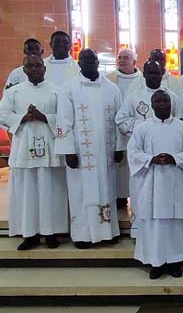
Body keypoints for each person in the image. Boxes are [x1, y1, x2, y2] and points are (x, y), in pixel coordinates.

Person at [55, 49, 126, 249]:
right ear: (79, 63)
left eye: (92, 59)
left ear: (97, 62)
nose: (88, 63)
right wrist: (68, 150)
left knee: (106, 190)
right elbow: (63, 121)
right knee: (82, 193)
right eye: (84, 60)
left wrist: (120, 147)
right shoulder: (69, 88)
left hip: (106, 152)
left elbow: (119, 120)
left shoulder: (112, 89)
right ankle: (83, 235)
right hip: (80, 154)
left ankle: (107, 232)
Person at [128, 90, 183, 279]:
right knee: (154, 224)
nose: (162, 104)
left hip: (175, 182)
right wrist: (150, 159)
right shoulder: (142, 129)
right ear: (152, 105)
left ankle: (175, 261)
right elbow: (133, 153)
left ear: (171, 104)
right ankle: (156, 262)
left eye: (165, 101)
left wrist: (174, 158)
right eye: (158, 101)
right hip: (151, 184)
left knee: (175, 223)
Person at [0, 55, 68, 250]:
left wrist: (44, 116)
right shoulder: (14, 92)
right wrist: (23, 117)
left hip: (50, 151)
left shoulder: (57, 92)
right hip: (24, 150)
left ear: (44, 69)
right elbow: (2, 114)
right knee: (26, 194)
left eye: (38, 65)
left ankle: (51, 233)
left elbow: (65, 118)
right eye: (30, 66)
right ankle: (29, 235)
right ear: (24, 69)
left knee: (51, 192)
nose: (35, 69)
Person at [115, 60, 183, 233]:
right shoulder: (133, 96)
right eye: (150, 73)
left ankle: (169, 234)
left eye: (157, 73)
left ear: (162, 74)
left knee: (169, 197)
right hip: (144, 157)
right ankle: (143, 232)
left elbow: (182, 122)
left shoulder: (172, 97)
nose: (153, 76)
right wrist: (145, 126)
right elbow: (121, 120)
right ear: (144, 74)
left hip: (169, 158)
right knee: (144, 195)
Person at [106, 48, 142, 207]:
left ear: (134, 62)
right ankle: (120, 198)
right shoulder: (109, 80)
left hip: (137, 129)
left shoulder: (143, 79)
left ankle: (137, 197)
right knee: (119, 165)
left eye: (126, 57)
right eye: (119, 57)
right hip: (115, 128)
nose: (121, 60)